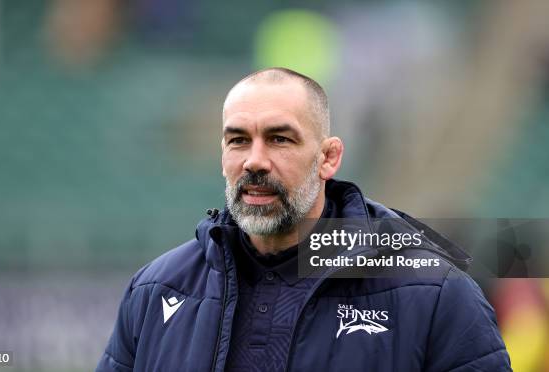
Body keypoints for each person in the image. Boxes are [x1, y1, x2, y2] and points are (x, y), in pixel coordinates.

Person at [96, 67, 511, 371]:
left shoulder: (434, 292)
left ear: (328, 157)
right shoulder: (156, 290)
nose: (254, 161)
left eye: (280, 138)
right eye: (238, 140)